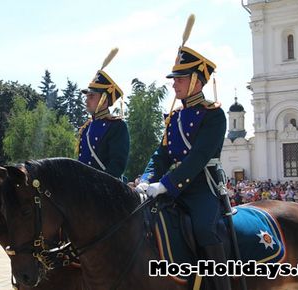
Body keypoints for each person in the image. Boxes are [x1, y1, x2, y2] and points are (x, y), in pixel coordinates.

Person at [136, 14, 231, 289]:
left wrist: (165, 184)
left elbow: (199, 158)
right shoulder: (175, 117)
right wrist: (146, 179)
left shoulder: (214, 115)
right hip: (173, 189)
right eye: (174, 78)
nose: (174, 83)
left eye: (180, 78)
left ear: (197, 81)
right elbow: (161, 154)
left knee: (204, 228)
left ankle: (221, 285)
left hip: (203, 188)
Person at [77, 48, 130, 179]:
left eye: (91, 96)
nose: (86, 100)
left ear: (104, 100)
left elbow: (117, 165)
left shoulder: (117, 126)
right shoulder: (86, 128)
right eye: (87, 96)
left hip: (107, 189)